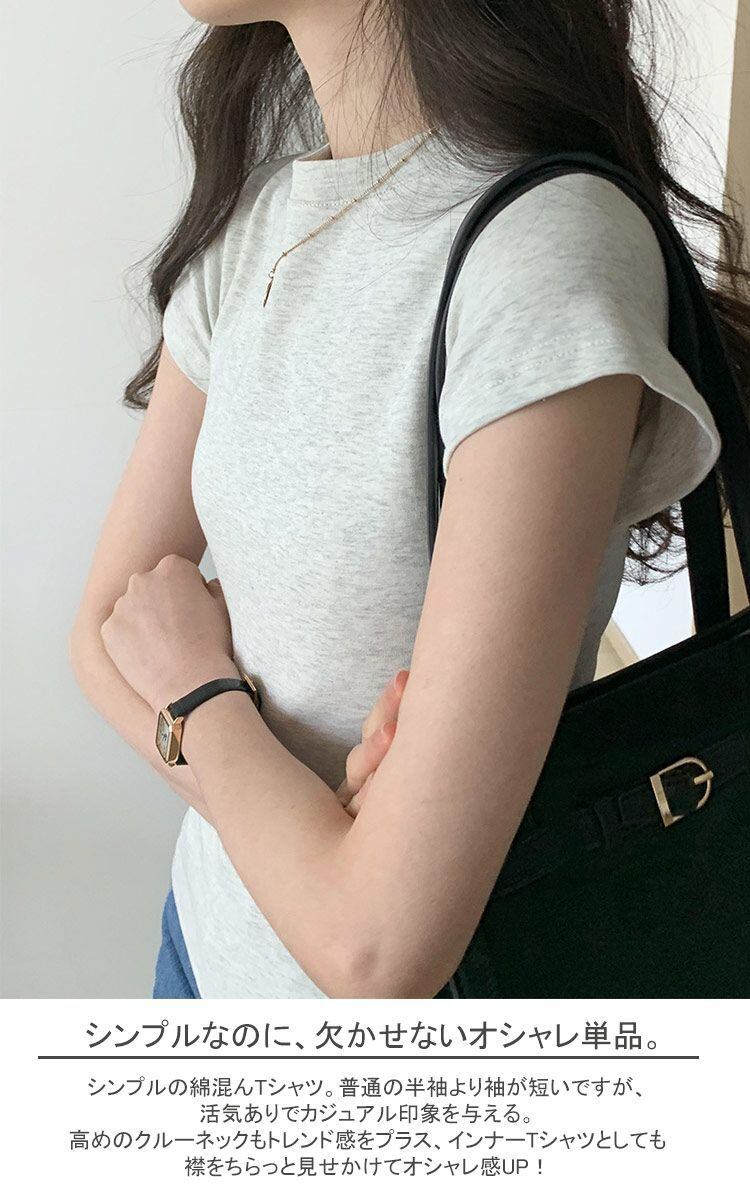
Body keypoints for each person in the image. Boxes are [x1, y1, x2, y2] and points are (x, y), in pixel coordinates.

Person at [69, 0, 750, 999]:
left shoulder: (540, 251)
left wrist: (197, 693)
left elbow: (376, 949)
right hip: (202, 950)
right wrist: (313, 834)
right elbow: (102, 629)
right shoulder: (259, 225)